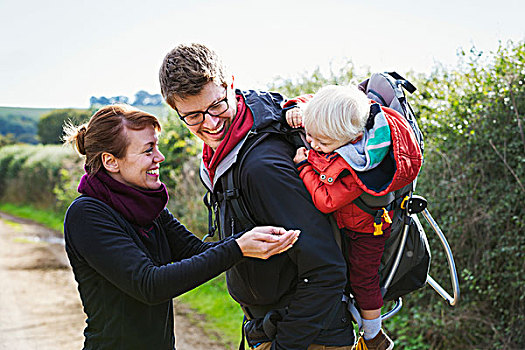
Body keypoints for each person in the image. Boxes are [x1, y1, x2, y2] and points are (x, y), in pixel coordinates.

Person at [159, 43, 354, 350]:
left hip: (306, 338)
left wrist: (284, 345)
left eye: (217, 106)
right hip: (280, 329)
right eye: (193, 116)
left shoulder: (261, 168)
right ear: (176, 111)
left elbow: (326, 268)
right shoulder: (232, 146)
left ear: (230, 84)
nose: (210, 124)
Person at [62, 104, 300, 350]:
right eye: (148, 150)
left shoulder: (146, 206)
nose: (160, 157)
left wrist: (253, 239)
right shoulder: (87, 214)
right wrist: (238, 248)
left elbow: (195, 252)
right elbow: (149, 284)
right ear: (111, 161)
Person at [285, 85, 423, 350]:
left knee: (363, 278)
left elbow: (326, 200)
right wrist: (297, 107)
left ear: (353, 139)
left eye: (321, 142)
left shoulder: (359, 166)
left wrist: (303, 167)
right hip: (346, 222)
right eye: (309, 135)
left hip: (366, 230)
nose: (312, 144)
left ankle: (374, 335)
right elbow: (318, 103)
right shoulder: (338, 122)